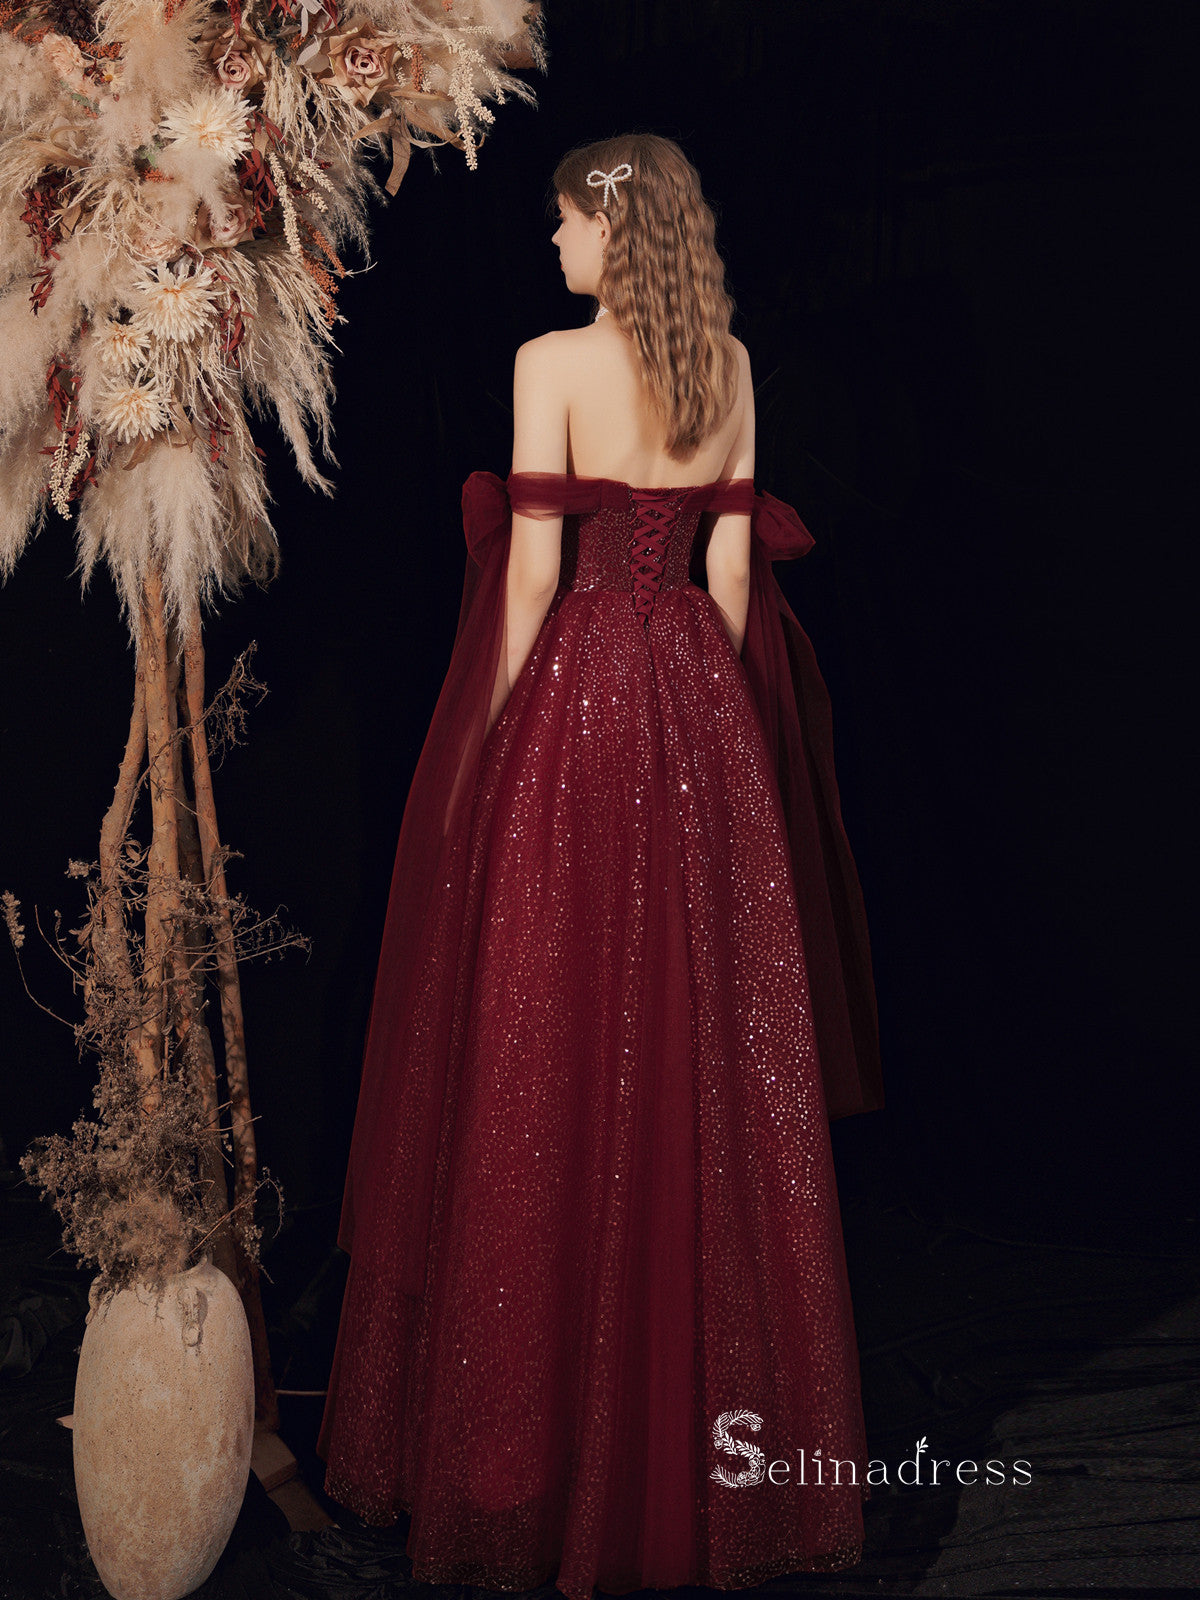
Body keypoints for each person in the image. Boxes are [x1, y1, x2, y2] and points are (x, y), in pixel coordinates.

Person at [316, 133, 885, 1599]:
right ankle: (703, 1470)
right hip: (699, 707)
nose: (552, 243)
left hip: (578, 705)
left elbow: (526, 577)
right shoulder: (729, 369)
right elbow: (733, 582)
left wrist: (485, 739)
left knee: (544, 1040)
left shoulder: (550, 364)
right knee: (698, 1057)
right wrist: (722, 750)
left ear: (612, 232)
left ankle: (537, 1463)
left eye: (564, 221)